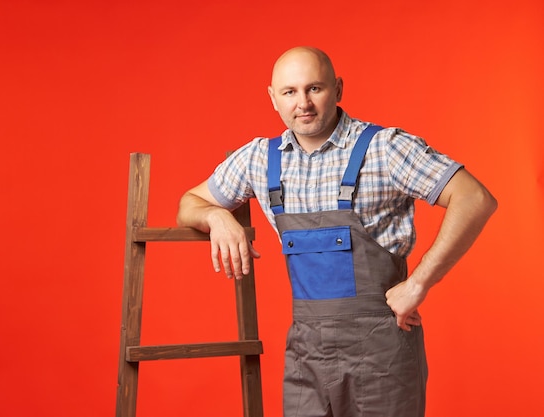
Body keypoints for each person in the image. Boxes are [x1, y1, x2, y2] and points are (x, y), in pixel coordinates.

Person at [176, 46, 497, 417]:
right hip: (305, 357)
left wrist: (419, 283)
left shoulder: (384, 148)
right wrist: (218, 217)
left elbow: (474, 198)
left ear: (338, 88)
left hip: (382, 358)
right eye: (290, 92)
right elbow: (190, 202)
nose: (303, 104)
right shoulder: (259, 159)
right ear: (273, 99)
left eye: (315, 88)